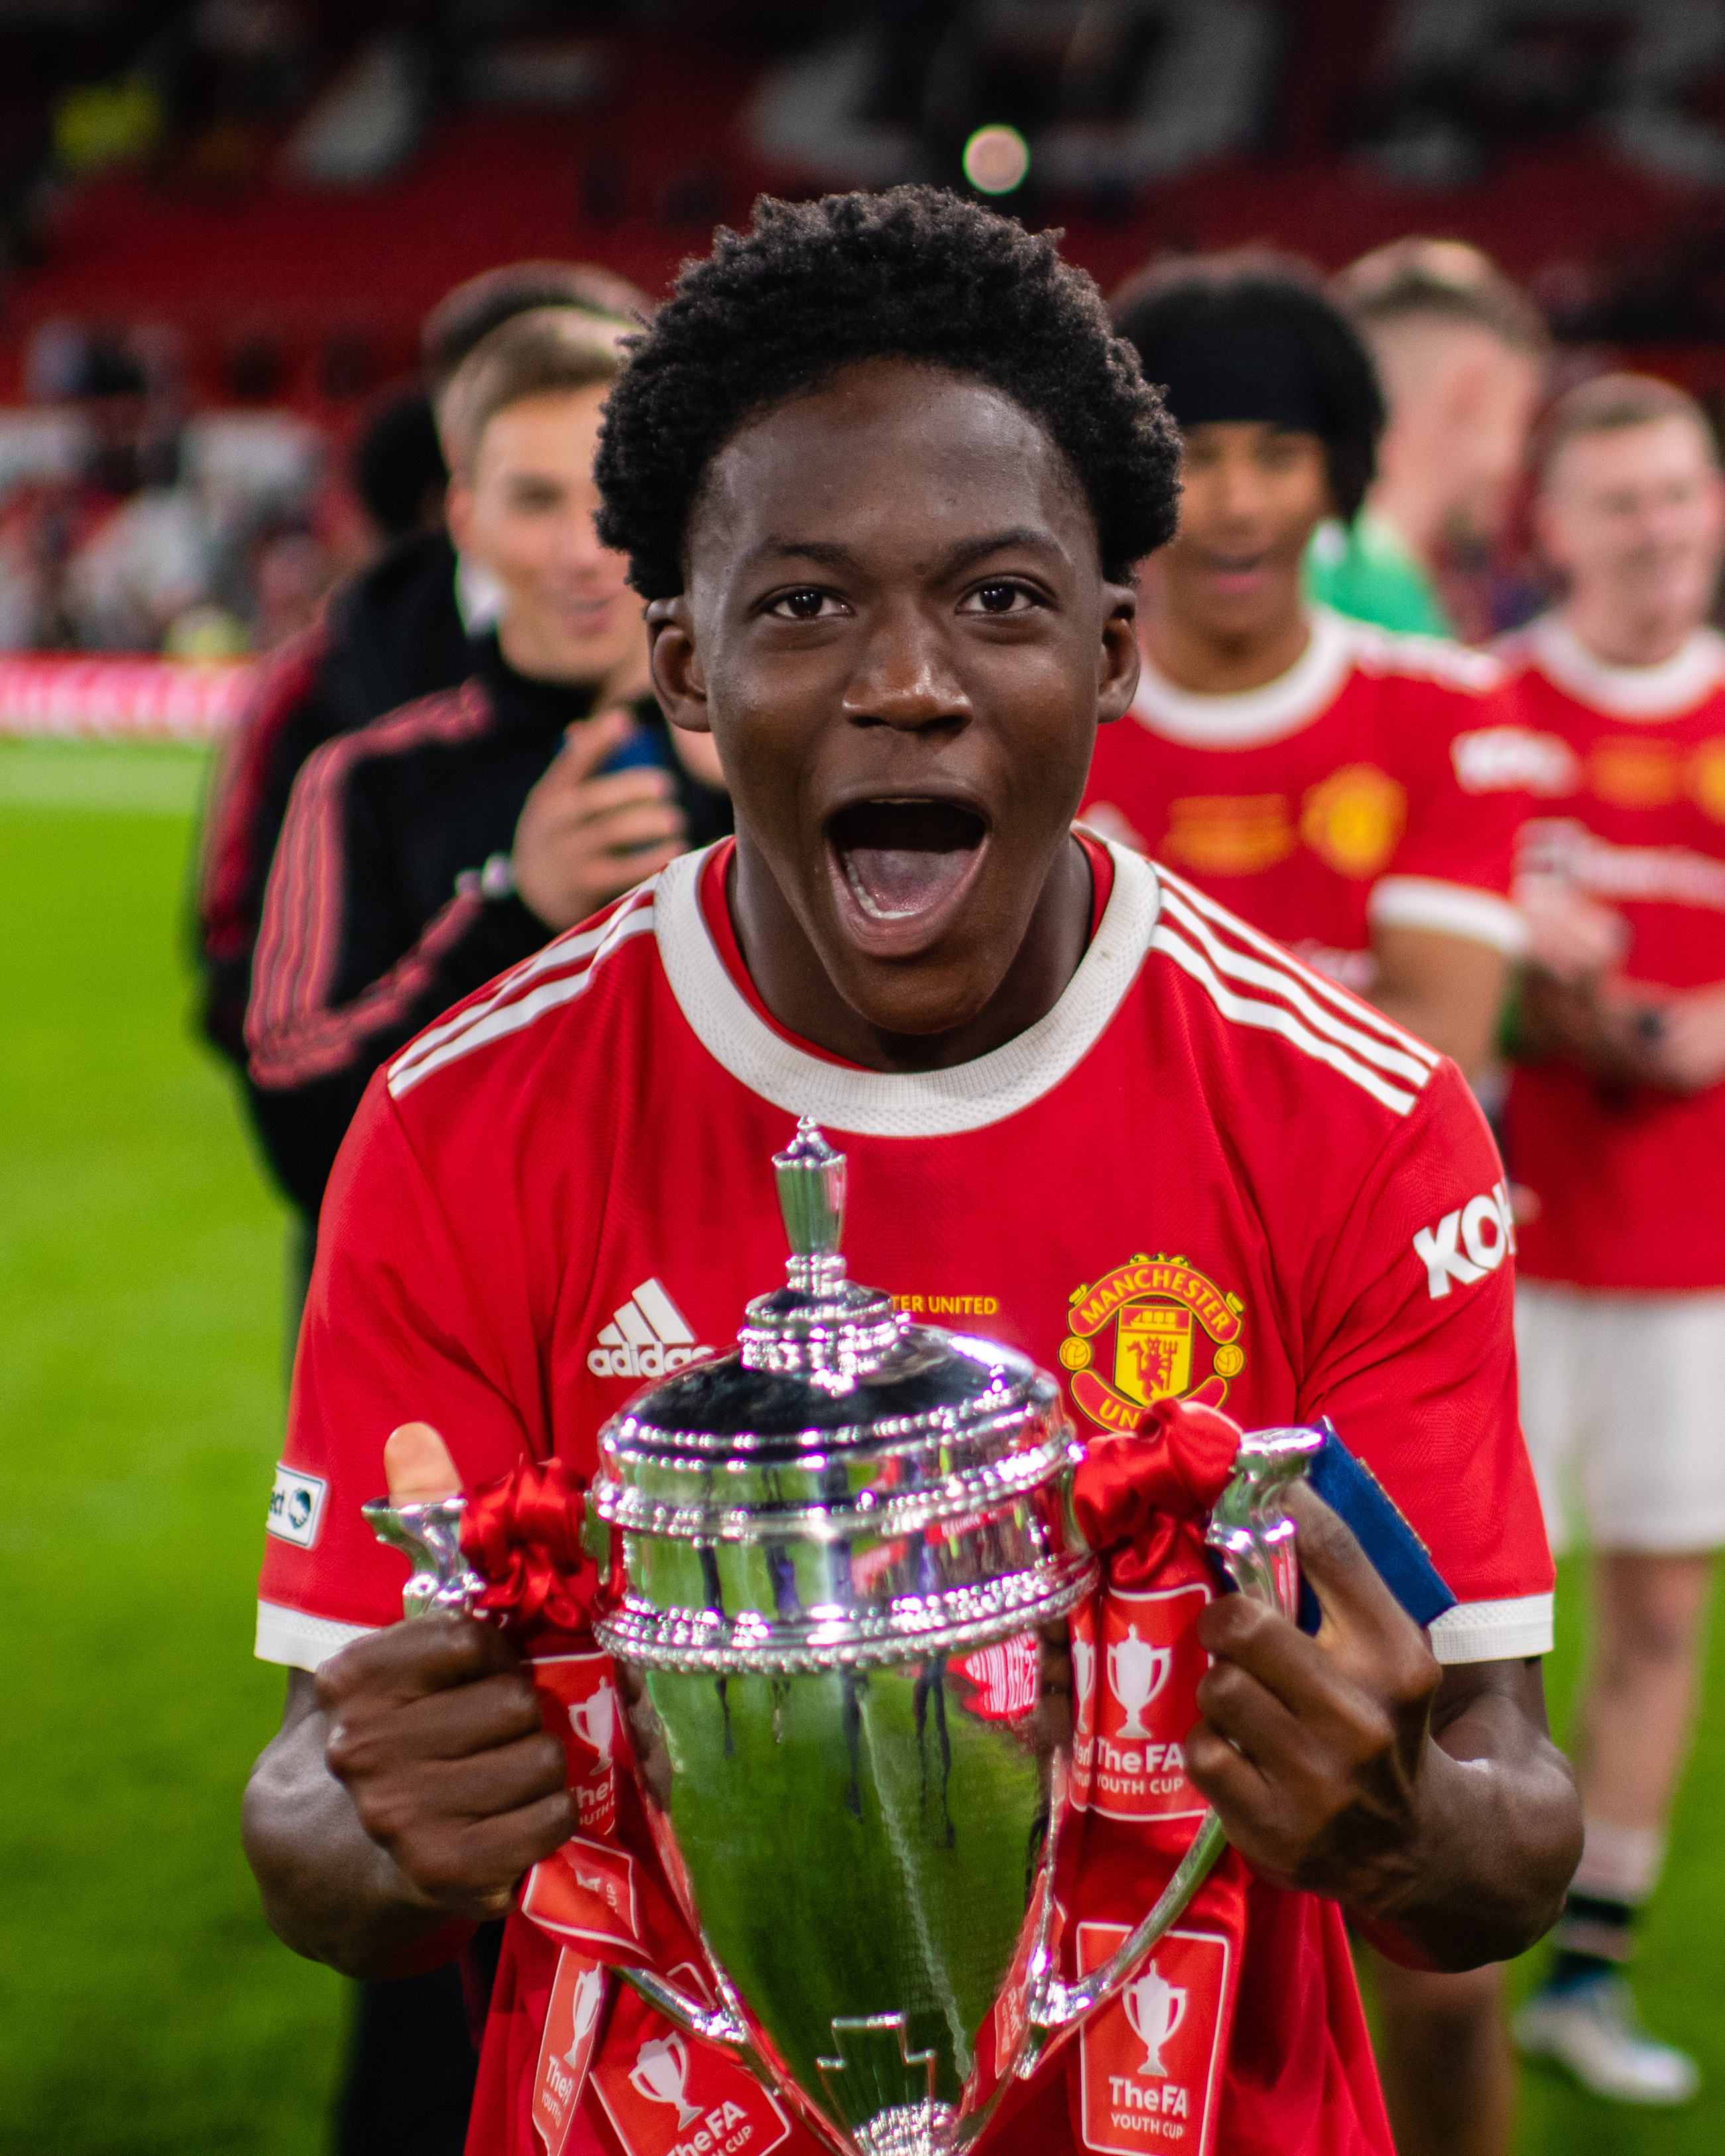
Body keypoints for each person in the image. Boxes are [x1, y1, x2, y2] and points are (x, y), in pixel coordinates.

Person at [240, 186, 1578, 2156]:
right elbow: (312, 1805)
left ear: (1113, 653)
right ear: (686, 673)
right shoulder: (464, 1122)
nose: (908, 681)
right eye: (802, 605)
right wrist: (374, 1824)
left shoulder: (1354, 1118)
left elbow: (1501, 1803)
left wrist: (1406, 1823)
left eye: (999, 598)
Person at [246, 305, 729, 1221]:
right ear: (465, 518)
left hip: (723, 1331)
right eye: (535, 501)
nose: (583, 554)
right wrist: (515, 911)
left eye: (612, 498)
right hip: (463, 1342)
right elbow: (300, 1134)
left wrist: (746, 825)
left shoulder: (773, 763)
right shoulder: (367, 780)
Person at [1500, 372, 1725, 2107]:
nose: (1656, 528)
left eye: (1679, 493)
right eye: (1619, 500)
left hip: (1691, 1253)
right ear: (1553, 525)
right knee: (1465, 1619)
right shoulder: (1485, 719)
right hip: (1501, 1241)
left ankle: (1584, 1966)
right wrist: (1533, 991)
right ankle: (1435, 1945)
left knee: (1655, 1604)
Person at [1083, 255, 1527, 1082]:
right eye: (1199, 458)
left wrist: (1145, 1065)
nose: (1240, 502)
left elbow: (1439, 1045)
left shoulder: (1447, 714)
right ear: (1128, 479)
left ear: (1336, 476)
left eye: (1279, 457)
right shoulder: (1045, 718)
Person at [1309, 239, 1547, 640]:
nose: (1518, 460)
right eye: (1519, 419)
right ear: (1471, 392)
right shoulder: (1372, 590)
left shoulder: (1311, 563)